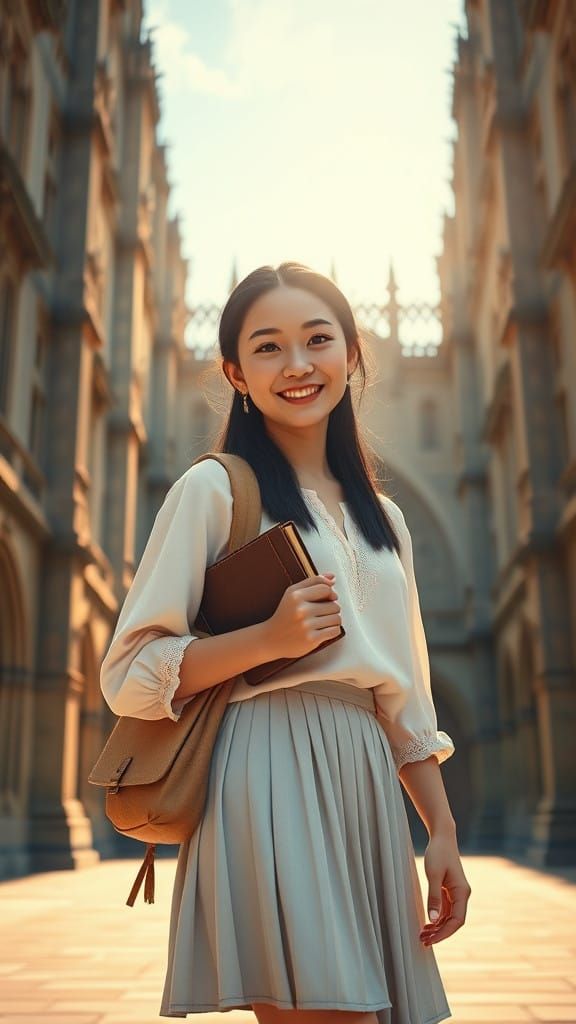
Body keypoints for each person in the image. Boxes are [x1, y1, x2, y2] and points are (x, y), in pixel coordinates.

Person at [100, 261, 471, 1024]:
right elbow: (128, 674)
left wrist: (441, 833)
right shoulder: (211, 489)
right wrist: (266, 640)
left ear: (351, 354)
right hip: (264, 774)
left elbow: (404, 703)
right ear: (235, 372)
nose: (297, 365)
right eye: (267, 348)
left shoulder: (386, 522)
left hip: (366, 786)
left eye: (317, 340)